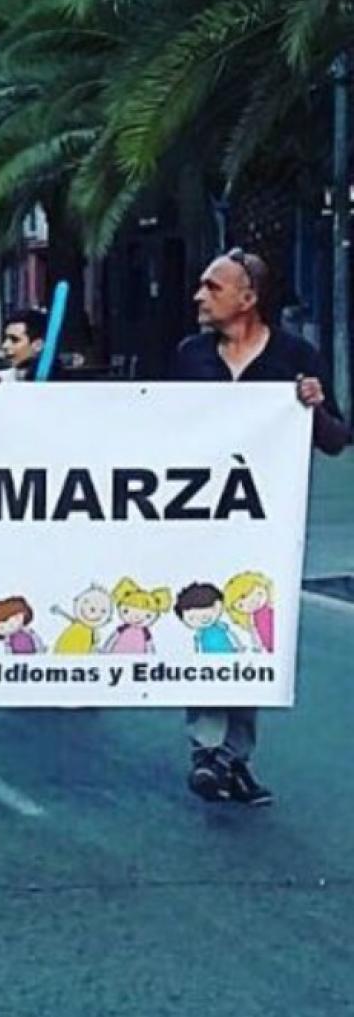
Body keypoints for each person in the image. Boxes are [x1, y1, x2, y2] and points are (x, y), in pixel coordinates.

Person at [169, 248, 347, 806]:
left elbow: (337, 439)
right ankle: (208, 749)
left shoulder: (296, 356)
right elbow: (150, 422)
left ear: (248, 299)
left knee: (247, 633)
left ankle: (232, 755)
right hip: (198, 521)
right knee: (203, 628)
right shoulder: (189, 355)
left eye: (211, 287)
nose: (199, 296)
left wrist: (313, 406)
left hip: (266, 527)